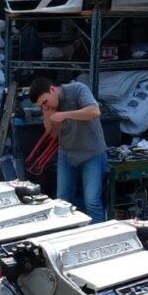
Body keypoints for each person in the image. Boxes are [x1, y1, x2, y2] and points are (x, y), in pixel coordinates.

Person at [29, 76, 107, 223]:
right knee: (62, 201)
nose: (45, 106)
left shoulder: (77, 89)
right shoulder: (49, 107)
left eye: (45, 102)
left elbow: (94, 112)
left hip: (91, 153)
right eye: (41, 106)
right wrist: (47, 114)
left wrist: (65, 115)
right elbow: (51, 133)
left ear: (52, 90)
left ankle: (98, 234)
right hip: (67, 154)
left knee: (92, 201)